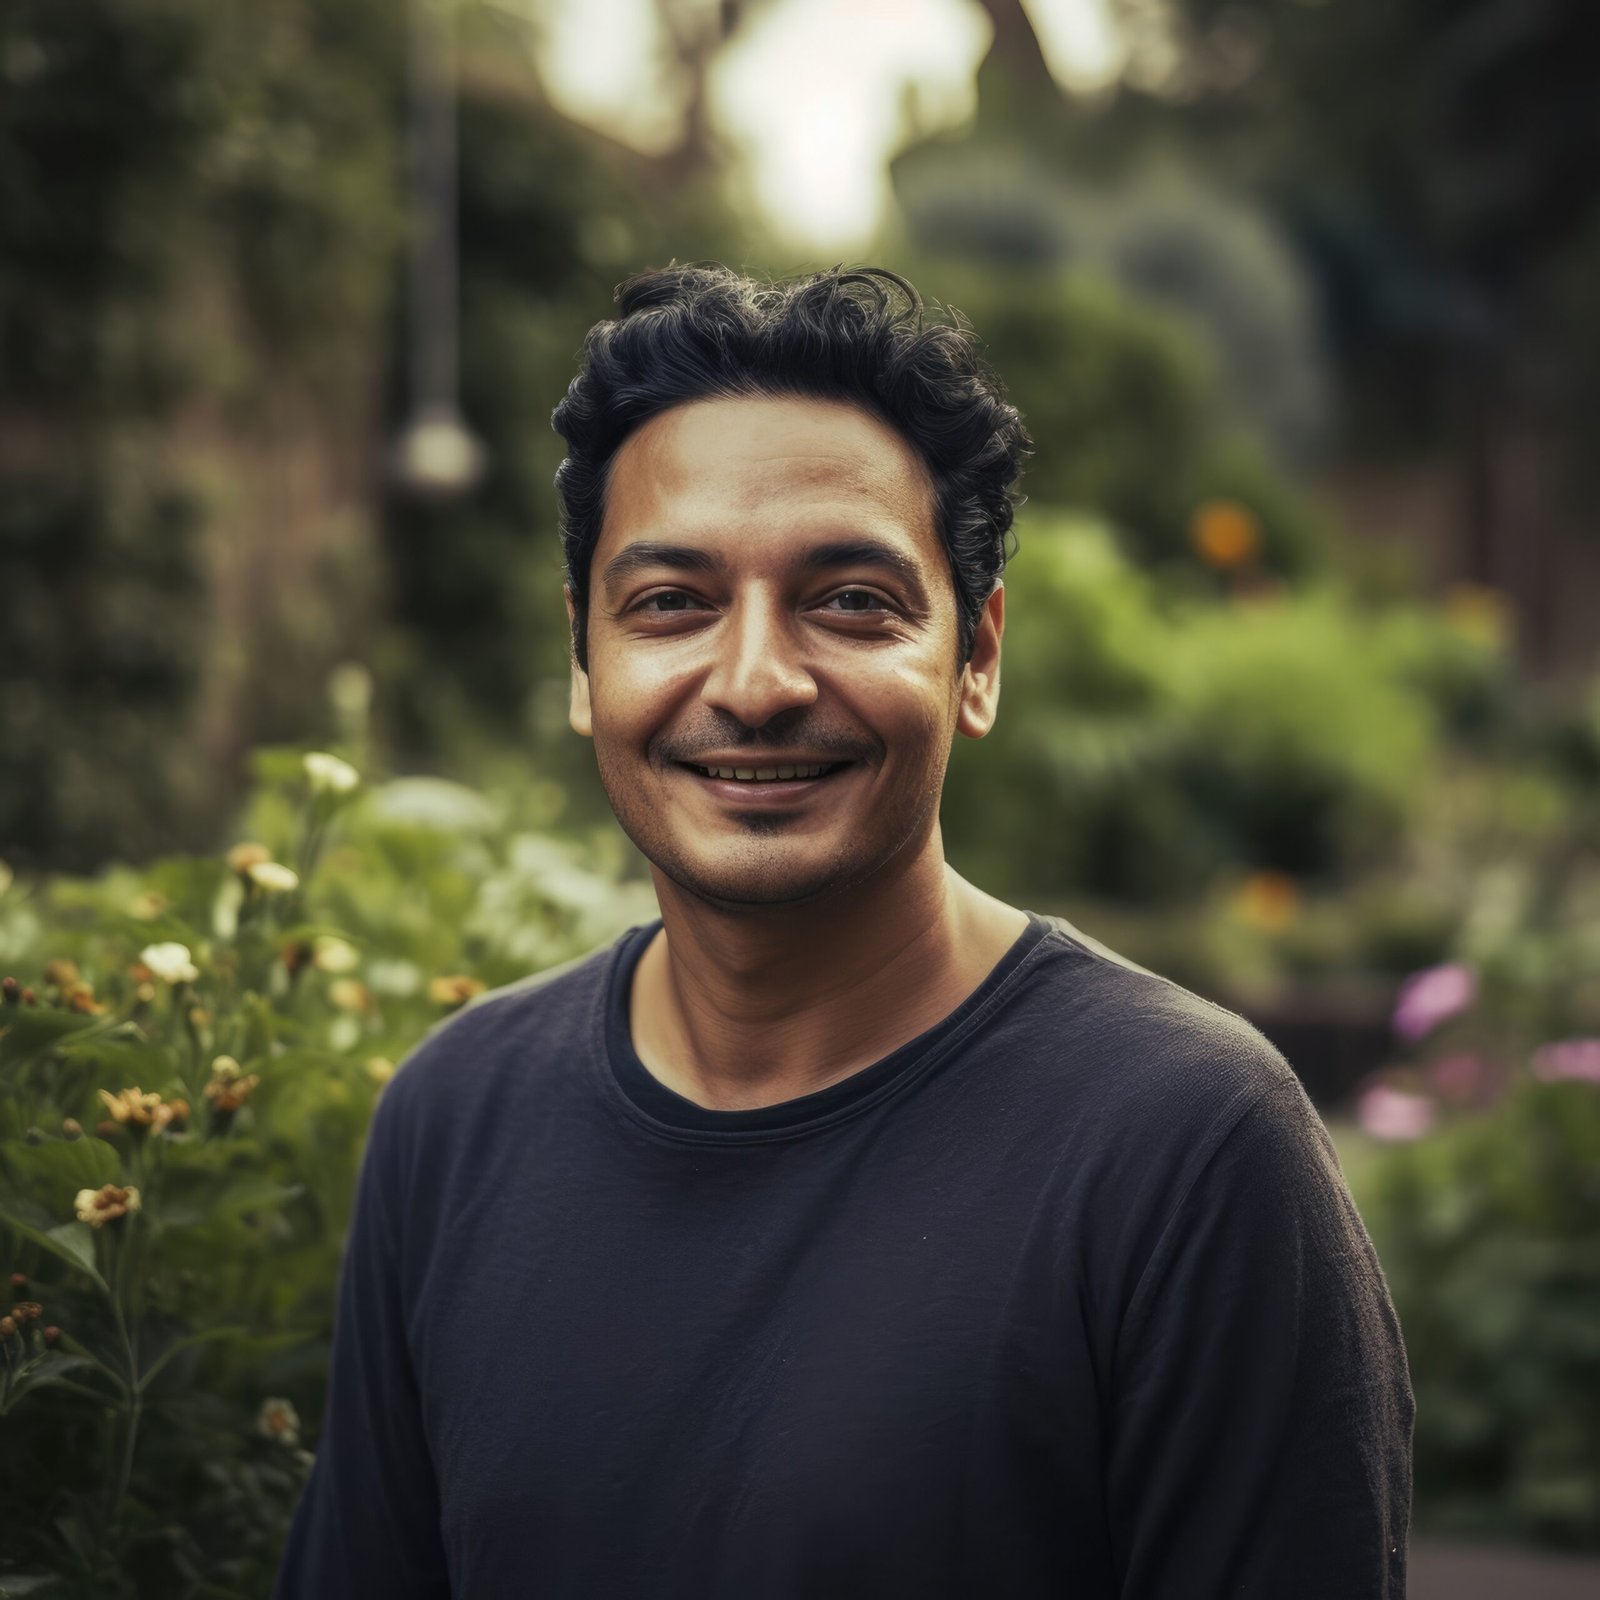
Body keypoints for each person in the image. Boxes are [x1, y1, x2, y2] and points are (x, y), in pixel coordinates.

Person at [273, 265, 1413, 1599]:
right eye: (670, 604)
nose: (755, 683)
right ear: (587, 667)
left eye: (851, 601)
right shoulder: (452, 1121)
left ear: (976, 657)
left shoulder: (1184, 1149)